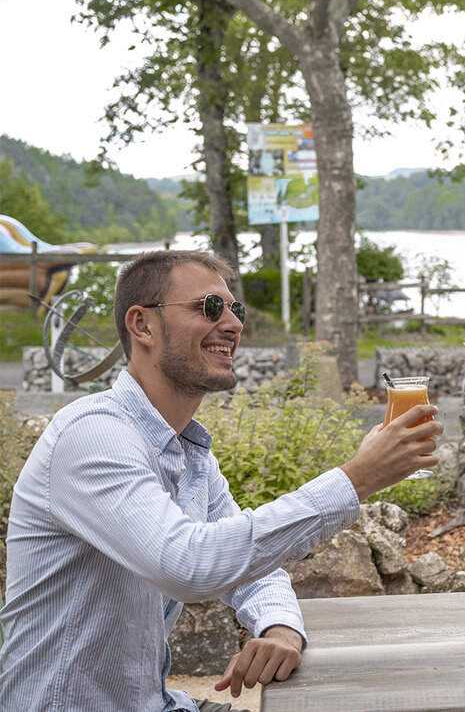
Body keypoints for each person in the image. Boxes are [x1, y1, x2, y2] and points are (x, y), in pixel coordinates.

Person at [0, 250, 441, 712]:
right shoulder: (93, 435)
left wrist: (280, 628)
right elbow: (189, 566)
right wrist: (355, 479)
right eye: (209, 307)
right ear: (142, 325)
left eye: (236, 309)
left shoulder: (187, 453)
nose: (232, 324)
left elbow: (256, 573)